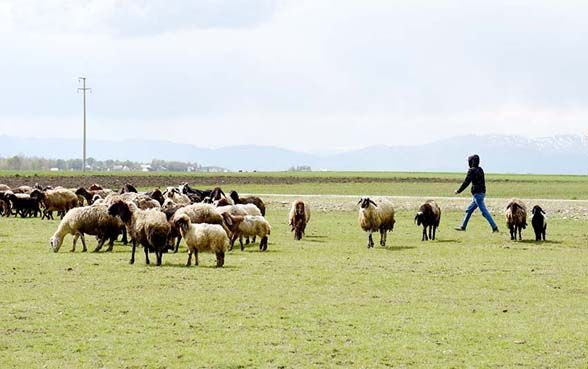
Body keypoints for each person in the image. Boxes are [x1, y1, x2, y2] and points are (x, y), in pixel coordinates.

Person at [454, 154, 499, 232]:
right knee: (469, 210)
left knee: (484, 212)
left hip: (477, 195)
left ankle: (494, 227)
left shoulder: (471, 170)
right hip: (481, 193)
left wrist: (458, 191)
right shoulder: (480, 169)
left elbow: (466, 182)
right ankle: (463, 227)